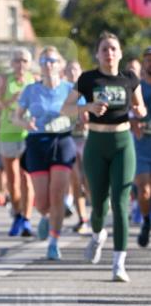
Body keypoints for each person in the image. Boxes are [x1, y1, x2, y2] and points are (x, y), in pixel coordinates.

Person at [63, 31, 146, 282]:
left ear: (120, 53)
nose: (109, 53)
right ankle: (97, 235)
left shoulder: (130, 78)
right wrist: (86, 107)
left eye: (113, 48)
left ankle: (118, 263)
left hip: (123, 143)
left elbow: (139, 107)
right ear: (97, 54)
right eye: (104, 49)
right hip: (96, 143)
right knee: (98, 204)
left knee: (120, 204)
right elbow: (65, 108)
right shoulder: (88, 79)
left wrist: (139, 111)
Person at [12, 47, 79, 260]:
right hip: (37, 142)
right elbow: (16, 117)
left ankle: (54, 240)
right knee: (42, 201)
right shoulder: (31, 90)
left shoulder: (71, 89)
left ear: (60, 65)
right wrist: (25, 122)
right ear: (39, 66)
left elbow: (83, 113)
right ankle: (44, 216)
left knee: (58, 194)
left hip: (62, 141)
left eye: (52, 60)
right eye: (44, 61)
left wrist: (82, 118)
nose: (48, 65)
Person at [0, 50, 35, 236]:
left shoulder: (34, 80)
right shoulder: (4, 80)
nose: (21, 64)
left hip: (27, 134)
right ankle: (17, 213)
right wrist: (11, 101)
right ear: (12, 63)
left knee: (27, 179)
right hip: (8, 133)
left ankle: (27, 220)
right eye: (17, 60)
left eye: (24, 60)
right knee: (13, 181)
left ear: (29, 63)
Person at [64, 60, 90, 234]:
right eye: (70, 69)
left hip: (88, 138)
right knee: (75, 179)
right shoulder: (63, 90)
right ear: (65, 73)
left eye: (75, 69)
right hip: (70, 139)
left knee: (89, 181)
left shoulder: (87, 89)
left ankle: (96, 214)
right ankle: (82, 218)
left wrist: (86, 117)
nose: (73, 72)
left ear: (80, 71)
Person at [133, 46, 151, 248]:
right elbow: (128, 111)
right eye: (147, 59)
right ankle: (146, 221)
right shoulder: (137, 86)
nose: (150, 62)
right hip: (142, 144)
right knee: (144, 191)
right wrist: (133, 122)